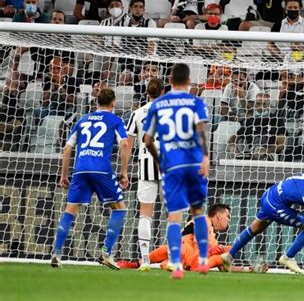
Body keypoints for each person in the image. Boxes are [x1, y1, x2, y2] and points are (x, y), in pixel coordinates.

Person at [143, 63, 210, 280]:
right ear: (189, 81)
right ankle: (201, 261)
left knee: (174, 216)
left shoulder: (159, 104)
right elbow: (201, 131)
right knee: (198, 211)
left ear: (169, 81)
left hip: (171, 164)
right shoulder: (195, 102)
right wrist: (206, 157)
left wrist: (159, 159)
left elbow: (147, 140)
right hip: (193, 162)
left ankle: (176, 264)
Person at [51, 88, 131, 270]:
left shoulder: (82, 120)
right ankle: (106, 252)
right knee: (119, 208)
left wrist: (64, 175)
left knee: (70, 211)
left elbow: (67, 149)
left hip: (80, 170)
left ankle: (56, 253)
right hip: (101, 170)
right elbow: (125, 143)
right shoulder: (115, 120)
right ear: (113, 103)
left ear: (96, 103)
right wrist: (124, 172)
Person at [118, 204, 238, 271]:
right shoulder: (204, 220)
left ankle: (140, 263)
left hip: (189, 259)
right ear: (218, 215)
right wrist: (214, 252)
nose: (229, 220)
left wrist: (244, 269)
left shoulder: (213, 236)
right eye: (227, 216)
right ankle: (140, 263)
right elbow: (198, 242)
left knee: (226, 251)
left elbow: (222, 266)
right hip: (185, 252)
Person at [126, 78, 164, 271]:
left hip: (145, 164)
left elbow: (128, 144)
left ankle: (145, 260)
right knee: (174, 214)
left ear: (147, 93)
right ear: (163, 92)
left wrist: (123, 170)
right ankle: (175, 258)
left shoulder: (137, 113)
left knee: (145, 214)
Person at [227, 92, 286, 161]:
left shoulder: (277, 121)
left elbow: (281, 145)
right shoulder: (250, 121)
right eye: (258, 104)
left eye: (264, 104)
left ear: (269, 105)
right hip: (252, 156)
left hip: (270, 156)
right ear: (255, 105)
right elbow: (232, 140)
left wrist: (265, 151)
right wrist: (237, 154)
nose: (261, 107)